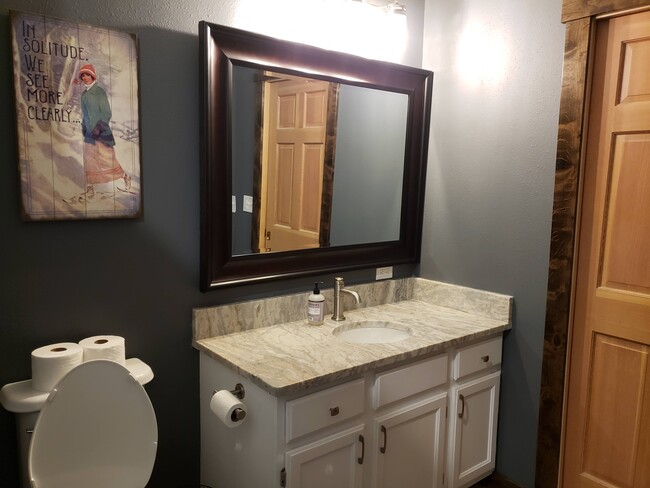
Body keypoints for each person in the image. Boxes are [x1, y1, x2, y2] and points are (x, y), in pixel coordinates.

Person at [65, 63, 130, 203]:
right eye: (83, 75)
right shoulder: (84, 95)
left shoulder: (99, 91)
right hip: (88, 134)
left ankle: (125, 177)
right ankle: (90, 190)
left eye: (87, 74)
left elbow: (107, 113)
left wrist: (98, 128)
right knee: (89, 160)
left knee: (107, 158)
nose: (85, 77)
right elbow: (85, 114)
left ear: (92, 75)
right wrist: (84, 128)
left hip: (101, 132)